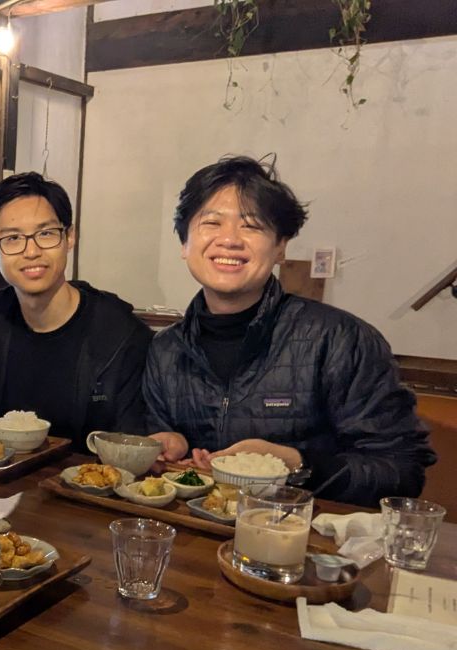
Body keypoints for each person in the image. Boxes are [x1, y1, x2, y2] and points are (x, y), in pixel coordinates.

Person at [144, 155, 436, 506]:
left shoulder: (340, 340)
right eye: (211, 223)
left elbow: (402, 471)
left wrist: (297, 466)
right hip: (197, 533)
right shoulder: (166, 350)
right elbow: (167, 465)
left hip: (303, 533)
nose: (229, 239)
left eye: (251, 225)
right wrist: (167, 446)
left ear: (280, 247)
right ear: (185, 244)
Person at [0, 171, 152, 447]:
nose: (31, 252)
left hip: (83, 475)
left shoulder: (119, 332)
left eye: (45, 234)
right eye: (12, 238)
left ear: (69, 237)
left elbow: (135, 442)